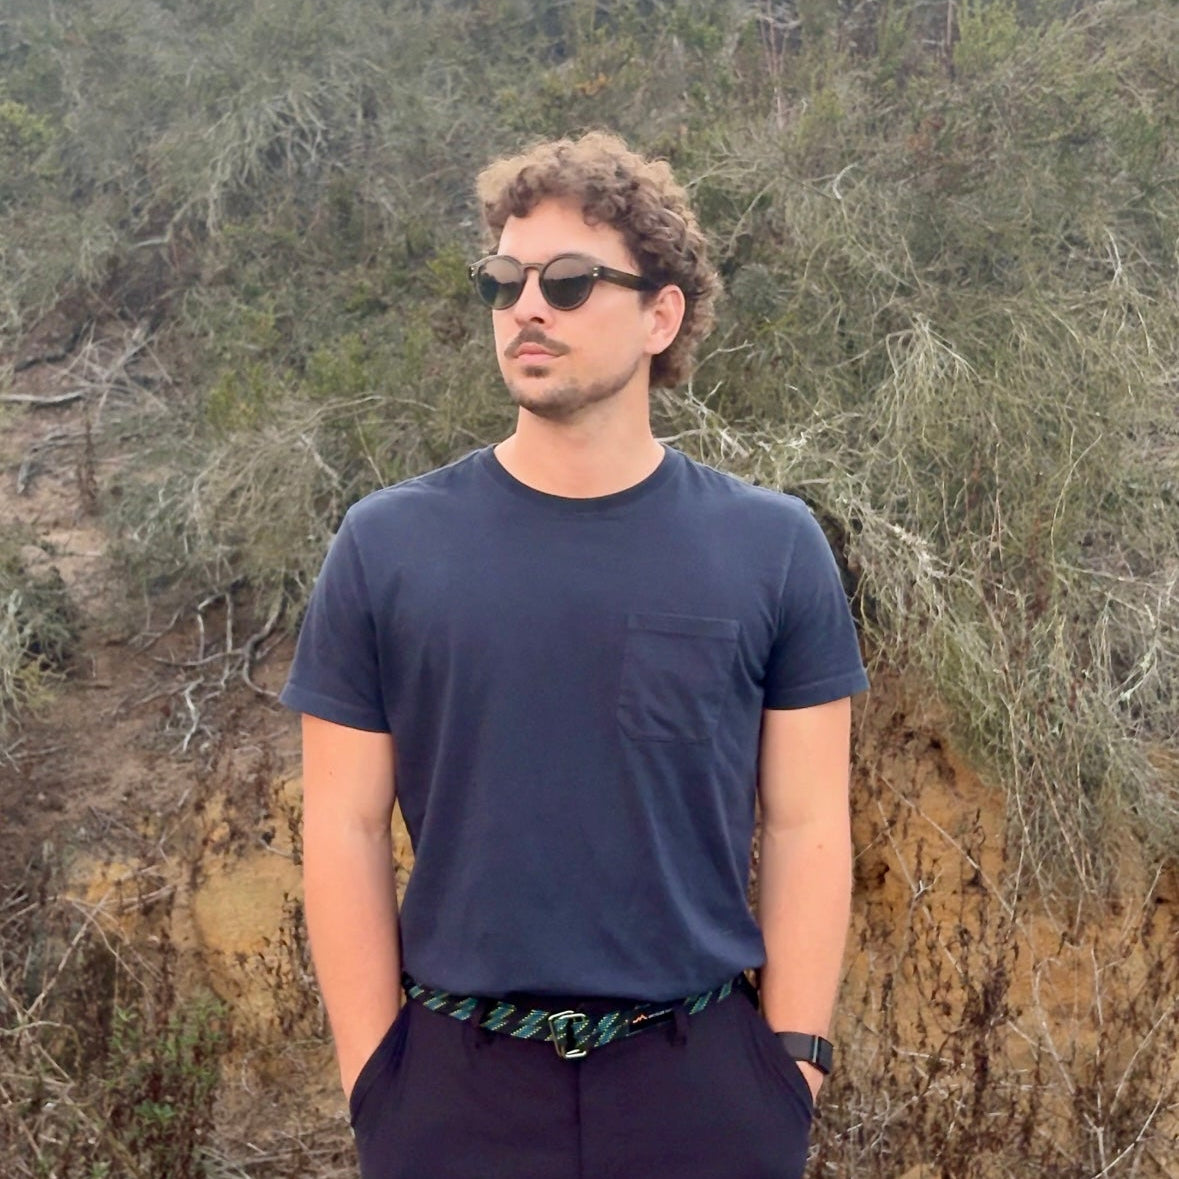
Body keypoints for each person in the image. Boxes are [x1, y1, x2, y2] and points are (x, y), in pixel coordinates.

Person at [280, 131, 868, 1179]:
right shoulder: (388, 545)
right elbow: (344, 821)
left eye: (567, 279)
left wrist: (793, 1065)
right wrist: (377, 1075)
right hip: (452, 1093)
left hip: (705, 1091)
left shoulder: (772, 548)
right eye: (504, 281)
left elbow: (810, 818)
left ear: (661, 314)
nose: (526, 307)